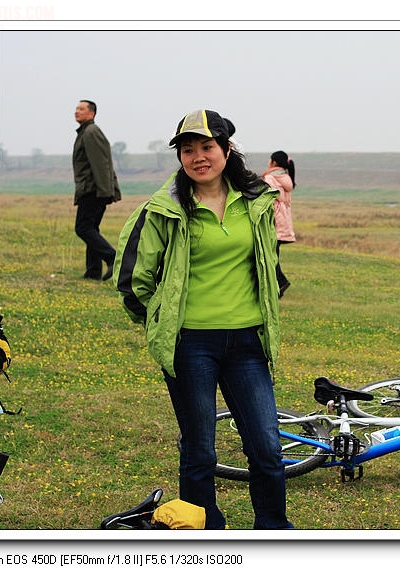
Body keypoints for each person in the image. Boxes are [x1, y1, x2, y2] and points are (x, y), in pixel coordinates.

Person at [114, 109, 292, 530]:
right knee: (200, 449)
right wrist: (163, 322)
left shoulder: (257, 203)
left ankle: (273, 530)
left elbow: (266, 264)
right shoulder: (164, 209)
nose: (198, 157)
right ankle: (202, 533)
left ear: (227, 150)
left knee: (266, 446)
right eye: (187, 150)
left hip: (248, 342)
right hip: (191, 344)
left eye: (207, 147)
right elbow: (133, 280)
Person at [72, 99, 121, 280]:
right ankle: (93, 272)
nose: (77, 111)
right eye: (76, 108)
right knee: (91, 228)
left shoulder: (91, 132)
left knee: (83, 228)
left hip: (94, 189)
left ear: (91, 114)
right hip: (93, 188)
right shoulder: (86, 131)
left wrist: (106, 191)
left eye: (81, 109)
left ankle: (113, 258)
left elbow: (101, 164)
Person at [261, 151, 296, 298]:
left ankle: (280, 282)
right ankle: (276, 285)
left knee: (270, 256)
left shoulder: (270, 178)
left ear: (273, 163)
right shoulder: (285, 179)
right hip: (283, 224)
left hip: (274, 223)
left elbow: (265, 197)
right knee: (273, 255)